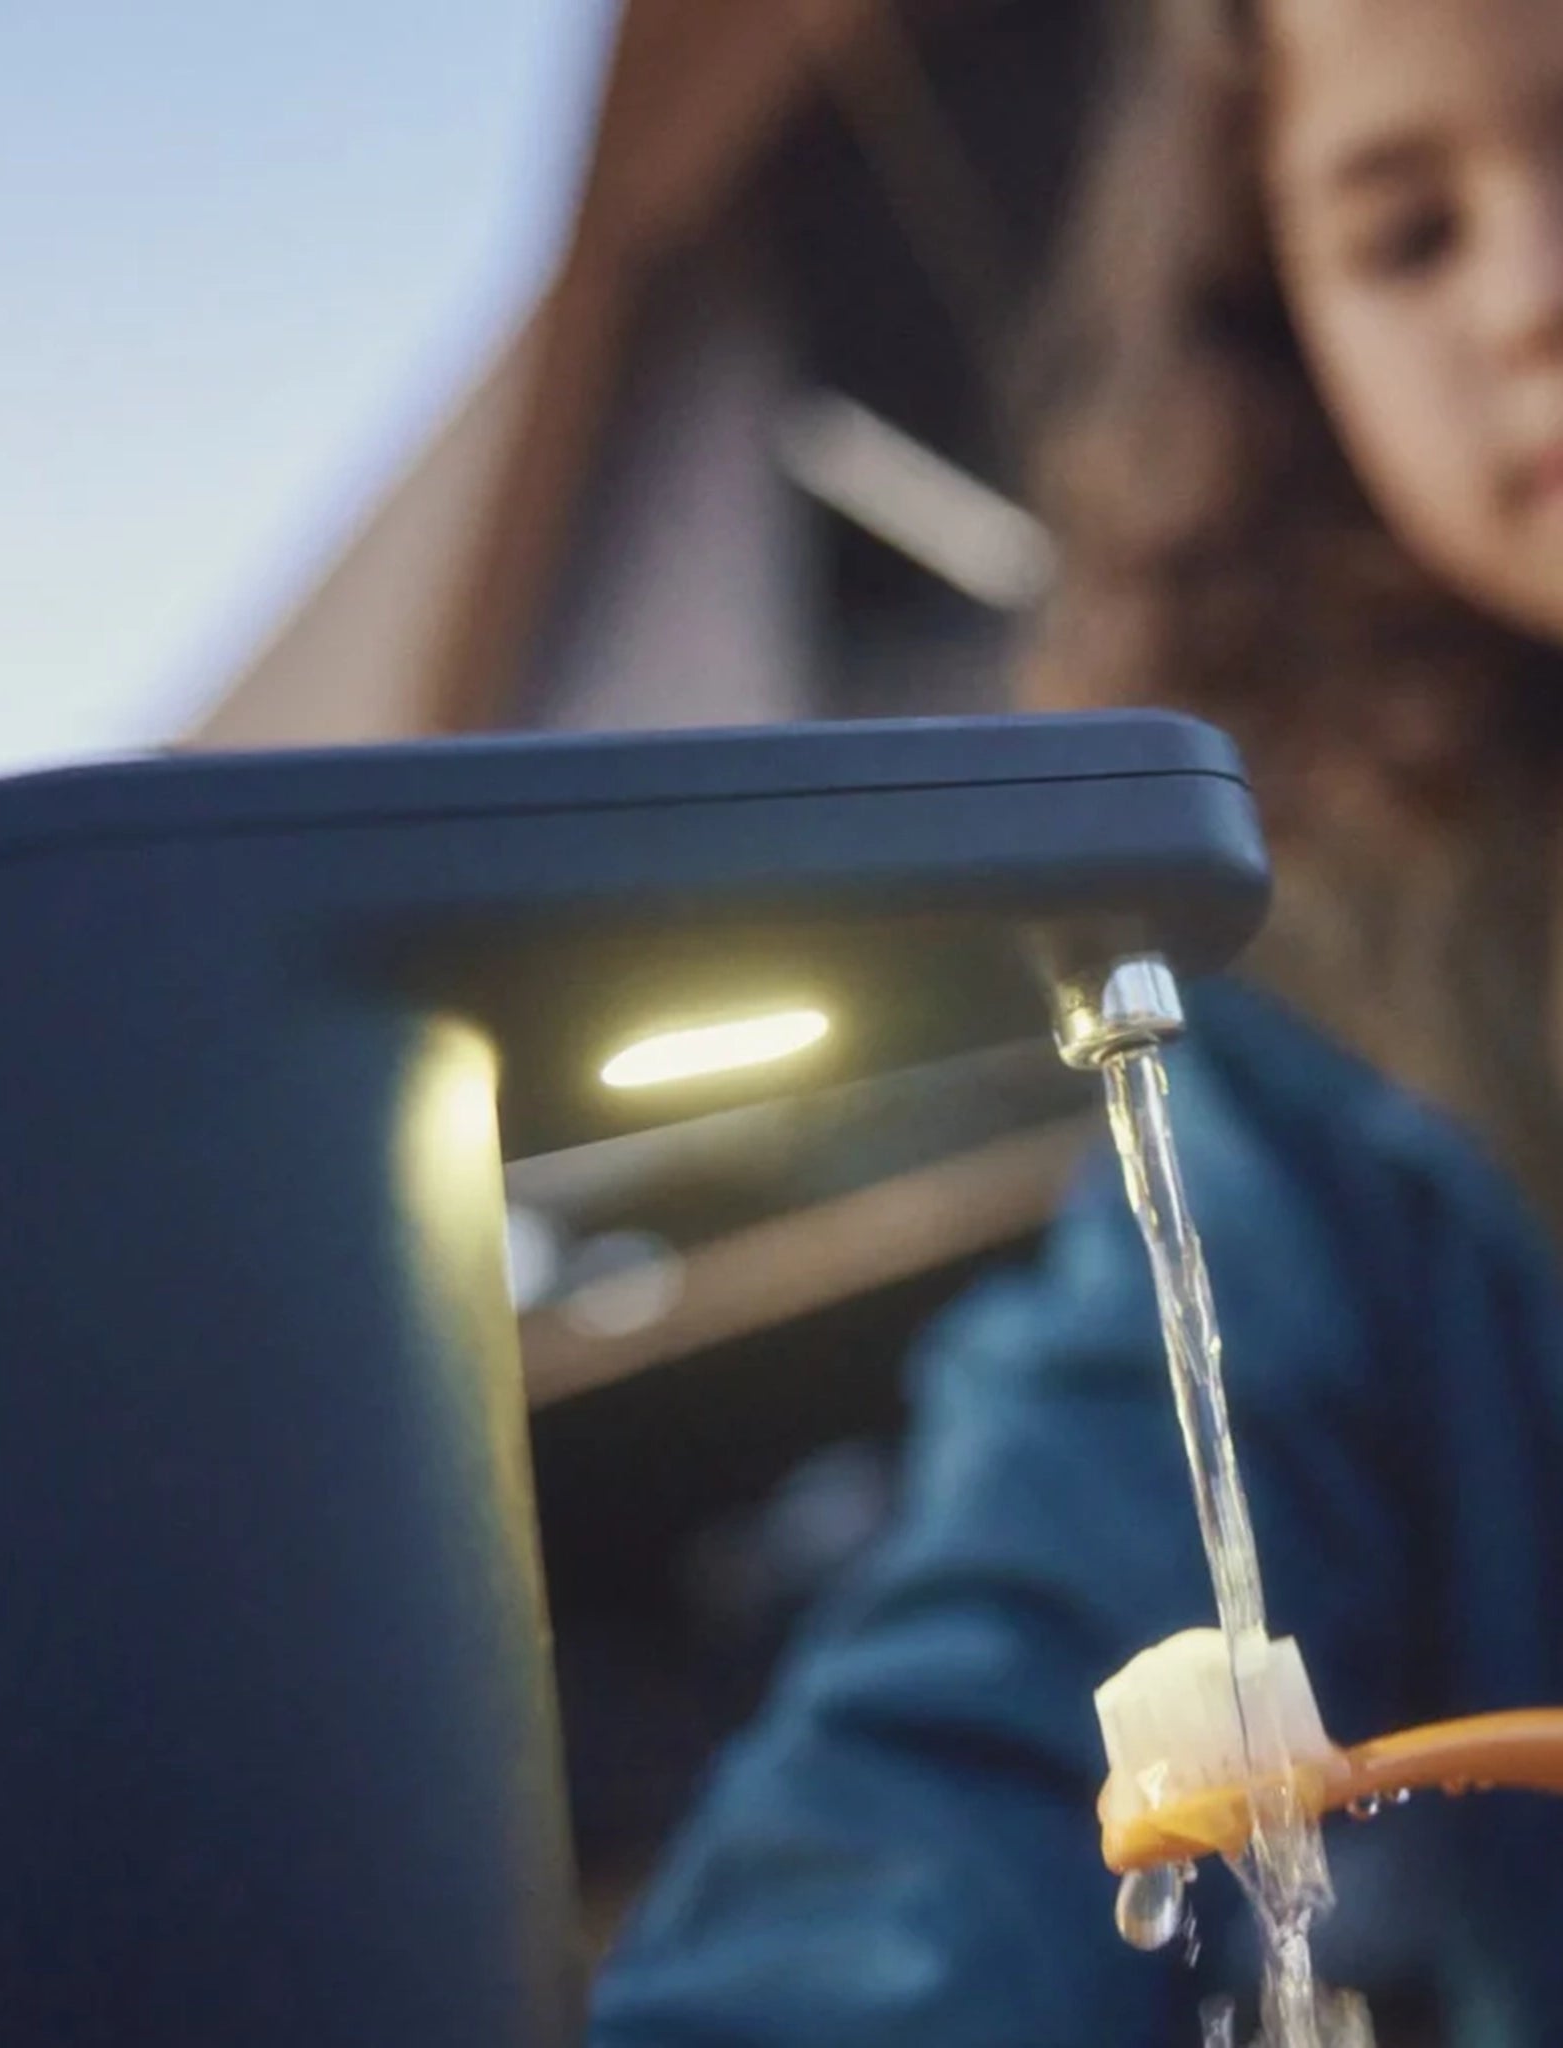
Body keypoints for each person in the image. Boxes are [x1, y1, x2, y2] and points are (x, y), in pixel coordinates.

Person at [588, 0, 1563, 2040]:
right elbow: (1027, 1680)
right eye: (1407, 235)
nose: (1530, 291)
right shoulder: (1328, 1064)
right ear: (1281, 338)